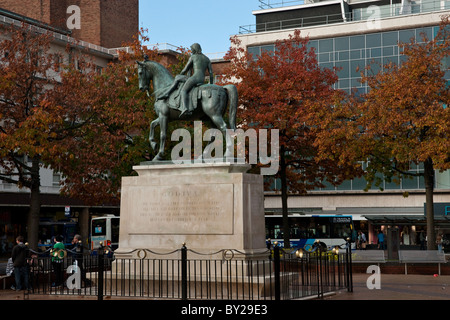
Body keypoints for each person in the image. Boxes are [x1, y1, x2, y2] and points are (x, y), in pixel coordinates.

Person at [160, 43, 214, 117]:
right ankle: (167, 93)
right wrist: (211, 84)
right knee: (179, 79)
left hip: (194, 78)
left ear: (195, 49)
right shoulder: (207, 59)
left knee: (183, 90)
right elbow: (211, 73)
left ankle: (184, 108)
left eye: (192, 49)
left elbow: (185, 69)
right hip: (201, 79)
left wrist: (180, 75)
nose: (191, 51)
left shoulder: (193, 57)